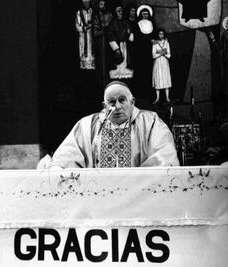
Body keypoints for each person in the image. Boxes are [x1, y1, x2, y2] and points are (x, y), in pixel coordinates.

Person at [37, 81, 179, 169]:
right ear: (104, 106)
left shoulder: (151, 122)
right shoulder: (87, 126)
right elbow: (66, 158)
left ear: (133, 102)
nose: (116, 106)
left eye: (122, 100)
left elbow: (165, 159)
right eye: (111, 102)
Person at [133, 5, 156, 100]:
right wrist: (148, 40)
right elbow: (137, 37)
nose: (145, 15)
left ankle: (148, 92)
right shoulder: (137, 24)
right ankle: (140, 92)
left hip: (149, 50)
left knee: (149, 70)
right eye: (143, 14)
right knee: (140, 70)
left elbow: (154, 35)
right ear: (141, 15)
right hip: (140, 50)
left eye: (147, 14)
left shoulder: (152, 23)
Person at [107, 5, 134, 80]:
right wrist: (116, 49)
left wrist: (130, 34)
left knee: (126, 61)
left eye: (121, 11)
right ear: (115, 12)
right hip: (117, 45)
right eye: (118, 11)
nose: (120, 12)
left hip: (125, 44)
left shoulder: (126, 21)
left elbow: (130, 32)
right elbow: (110, 35)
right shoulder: (113, 23)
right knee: (118, 61)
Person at [93, 0, 113, 87]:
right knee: (101, 63)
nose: (103, 6)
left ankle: (110, 83)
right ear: (98, 5)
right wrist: (103, 31)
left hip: (110, 41)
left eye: (104, 4)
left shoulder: (110, 15)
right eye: (101, 4)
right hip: (100, 42)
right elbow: (95, 32)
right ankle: (101, 84)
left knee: (110, 61)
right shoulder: (96, 16)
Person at [152, 29, 172, 104]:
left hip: (164, 63)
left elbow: (169, 55)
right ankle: (157, 98)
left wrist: (163, 53)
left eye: (162, 34)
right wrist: (161, 53)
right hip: (157, 63)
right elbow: (153, 55)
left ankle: (167, 97)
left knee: (165, 78)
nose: (161, 35)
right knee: (158, 78)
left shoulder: (167, 43)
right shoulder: (155, 44)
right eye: (160, 34)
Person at [75, 0, 95, 70]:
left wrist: (92, 25)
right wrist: (84, 28)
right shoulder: (79, 13)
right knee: (83, 57)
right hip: (83, 37)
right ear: (83, 3)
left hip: (92, 36)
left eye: (88, 2)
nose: (87, 4)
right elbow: (77, 26)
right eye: (85, 2)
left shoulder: (92, 11)